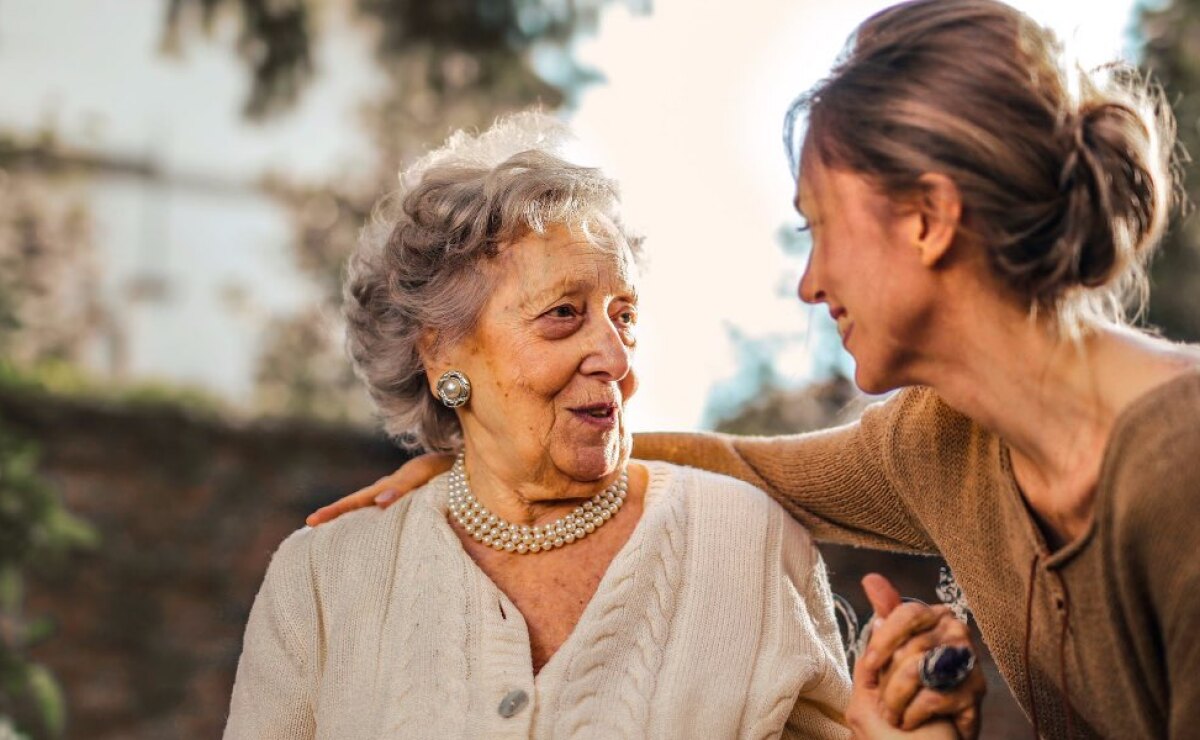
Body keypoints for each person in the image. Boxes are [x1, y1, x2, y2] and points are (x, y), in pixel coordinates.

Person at [309, 1, 1200, 738]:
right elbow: (742, 466)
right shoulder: (942, 444)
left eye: (819, 227)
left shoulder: (1179, 466)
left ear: (928, 219)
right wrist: (496, 456)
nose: (811, 284)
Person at [225, 113, 962, 739]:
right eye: (563, 315)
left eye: (625, 317)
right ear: (442, 350)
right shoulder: (323, 579)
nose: (613, 357)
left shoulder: (746, 542)